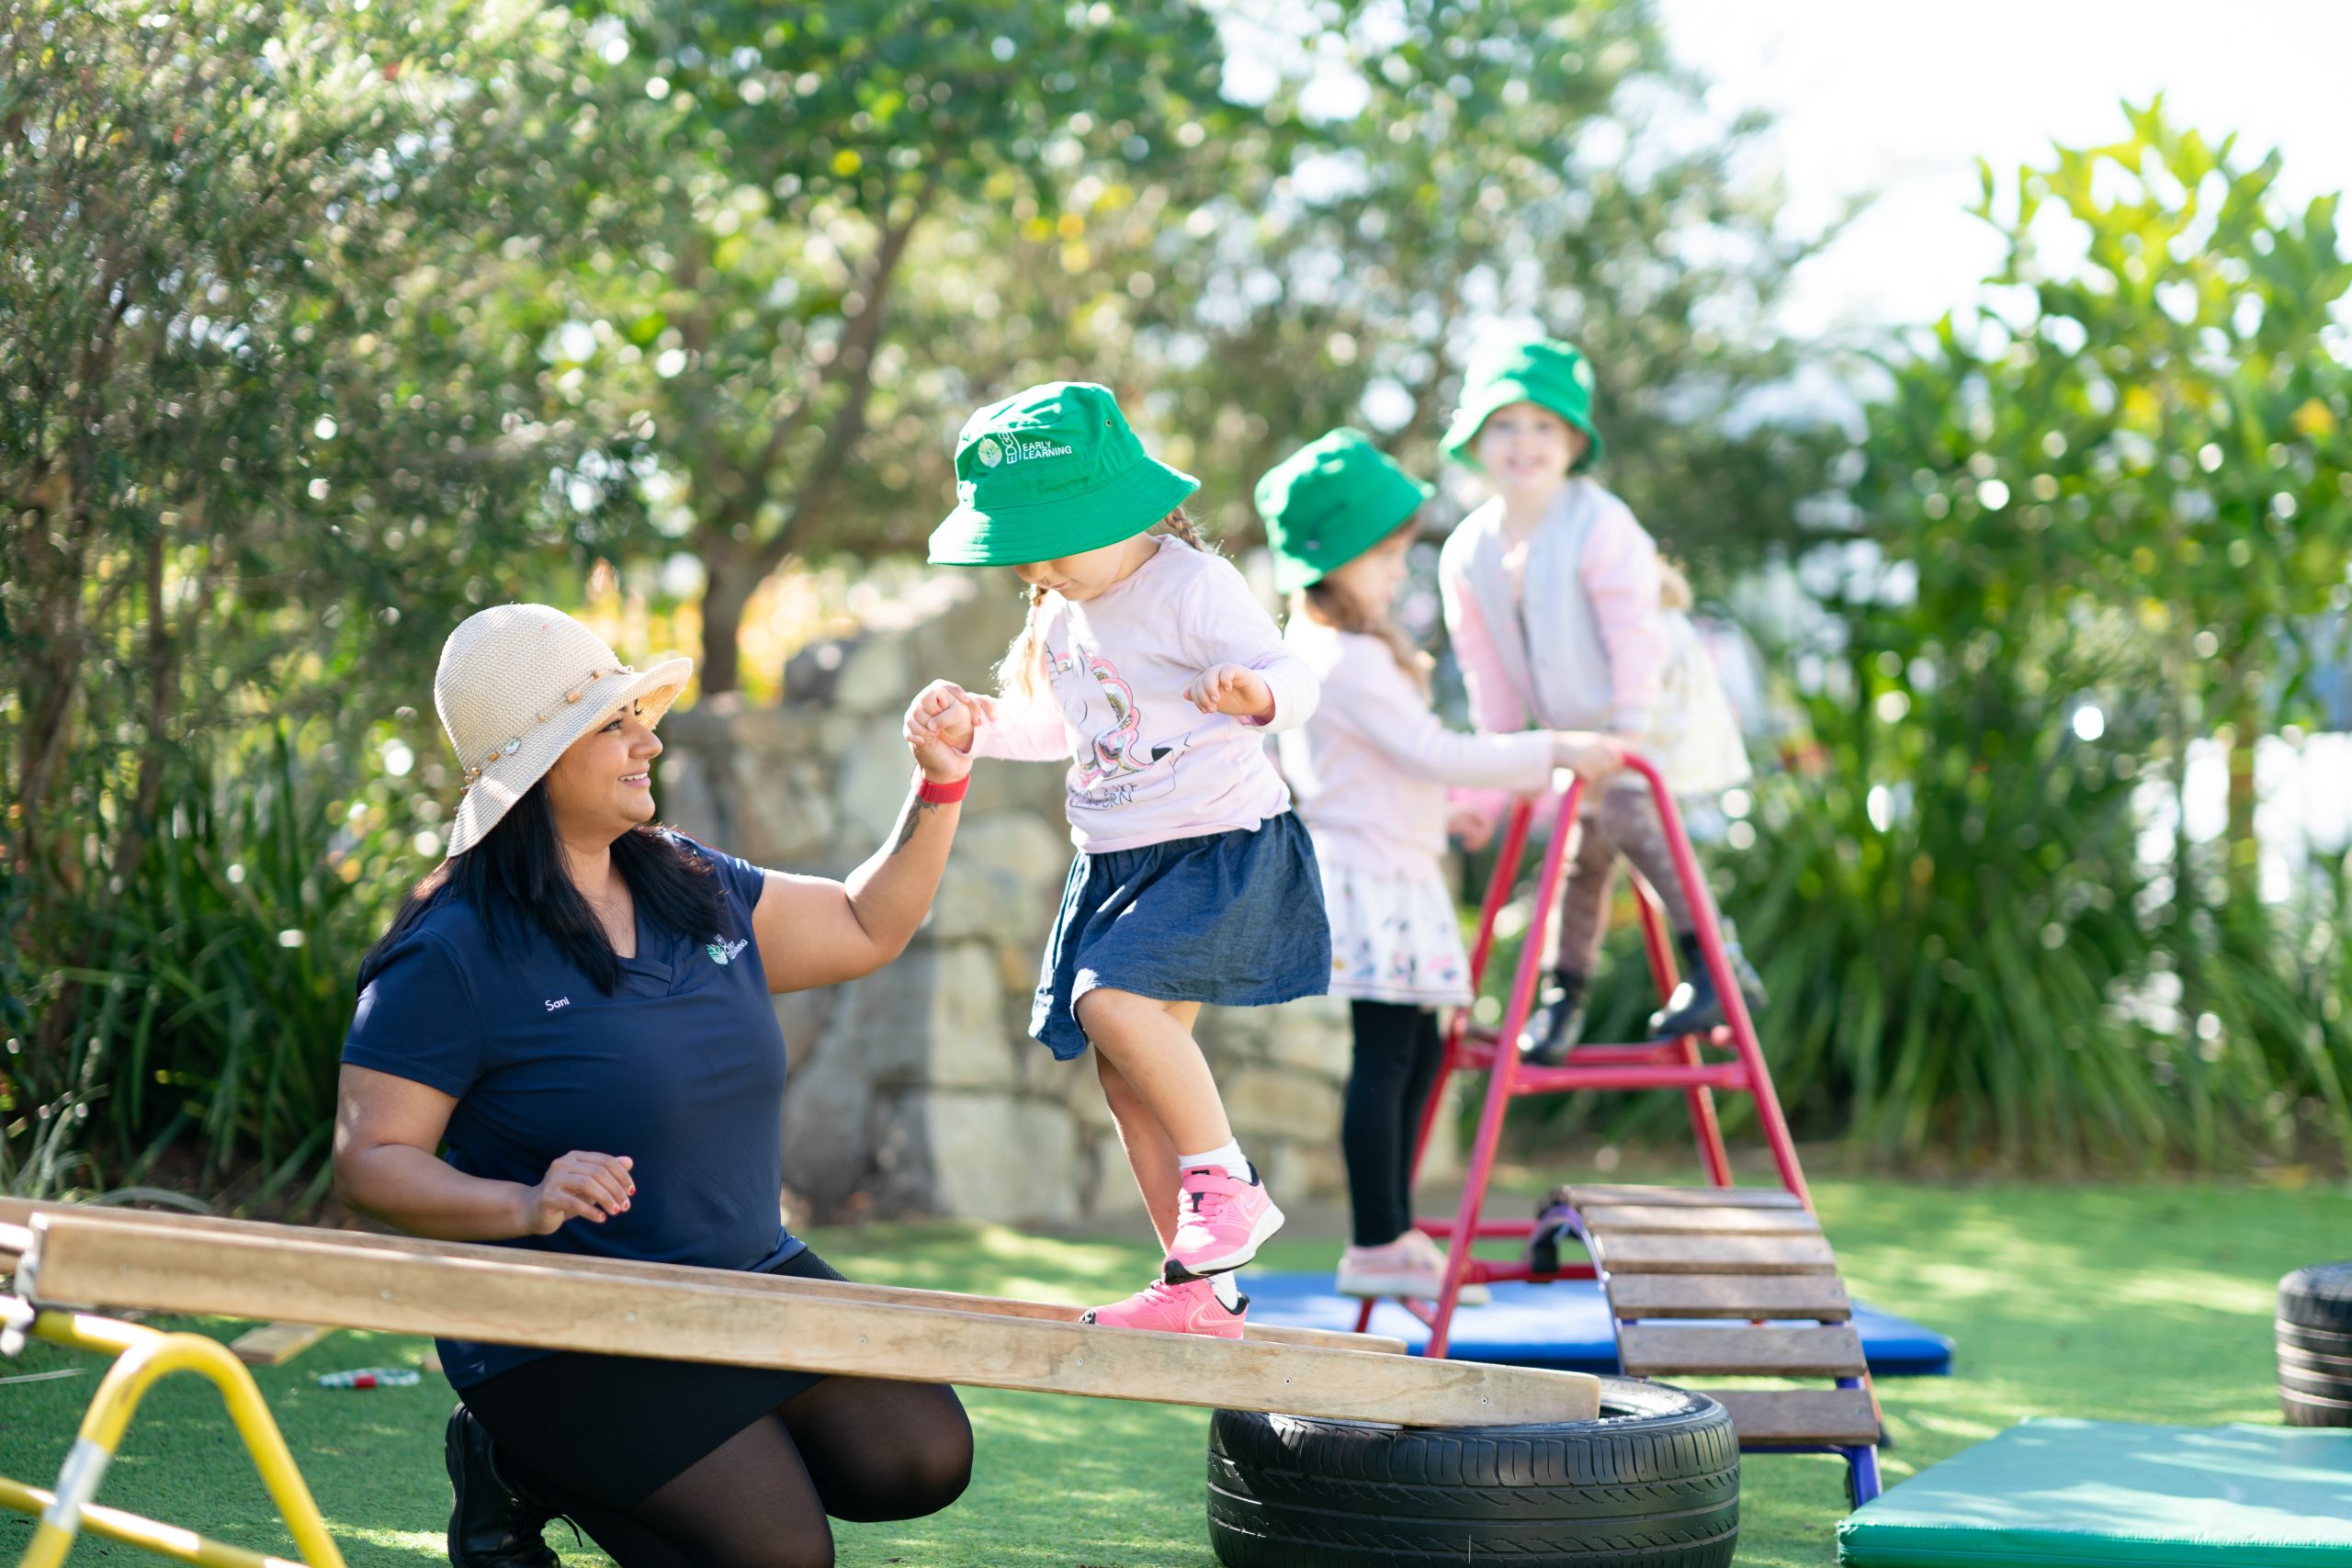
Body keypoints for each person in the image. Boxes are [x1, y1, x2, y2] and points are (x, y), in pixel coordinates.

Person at [334, 604, 974, 1568]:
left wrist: (940, 783)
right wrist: (523, 1201)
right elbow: (371, 1162)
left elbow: (861, 924)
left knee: (921, 1459)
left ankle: (561, 1466)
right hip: (563, 1326)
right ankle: (521, 1457)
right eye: (613, 725)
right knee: (780, 1558)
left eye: (638, 713)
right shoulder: (449, 950)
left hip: (740, 1276)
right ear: (539, 764)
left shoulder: (689, 881)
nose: (650, 739)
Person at [908, 380, 1329, 1339]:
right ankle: (1196, 1289)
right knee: (1121, 1074)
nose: (1043, 565)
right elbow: (1067, 729)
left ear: (1125, 509)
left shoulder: (1190, 584)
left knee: (1112, 1001)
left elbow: (1295, 675)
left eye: (1059, 536)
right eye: (1026, 550)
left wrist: (1255, 695)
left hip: (1213, 846)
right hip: (1117, 861)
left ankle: (1227, 1179)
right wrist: (976, 726)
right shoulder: (1062, 612)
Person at [1261, 428, 1625, 1300]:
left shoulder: (1338, 651)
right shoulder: (1342, 658)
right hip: (1374, 876)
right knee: (1388, 1058)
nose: (1397, 571)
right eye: (1384, 555)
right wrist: (1558, 748)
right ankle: (1375, 1238)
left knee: (1415, 1056)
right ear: (1336, 558)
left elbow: (1388, 767)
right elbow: (1430, 749)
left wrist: (1451, 809)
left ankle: (1391, 1229)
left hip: (1395, 863)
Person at [1437, 337, 1759, 1066]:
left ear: (1574, 441)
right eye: (1505, 425)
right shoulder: (1468, 551)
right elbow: (1488, 675)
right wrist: (1503, 768)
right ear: (1477, 442)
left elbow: (1635, 635)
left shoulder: (1597, 520)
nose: (1524, 444)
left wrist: (1630, 732)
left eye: (1543, 426)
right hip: (1579, 722)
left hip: (1652, 696)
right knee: (1583, 853)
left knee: (1615, 810)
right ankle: (1569, 995)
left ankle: (1706, 961)